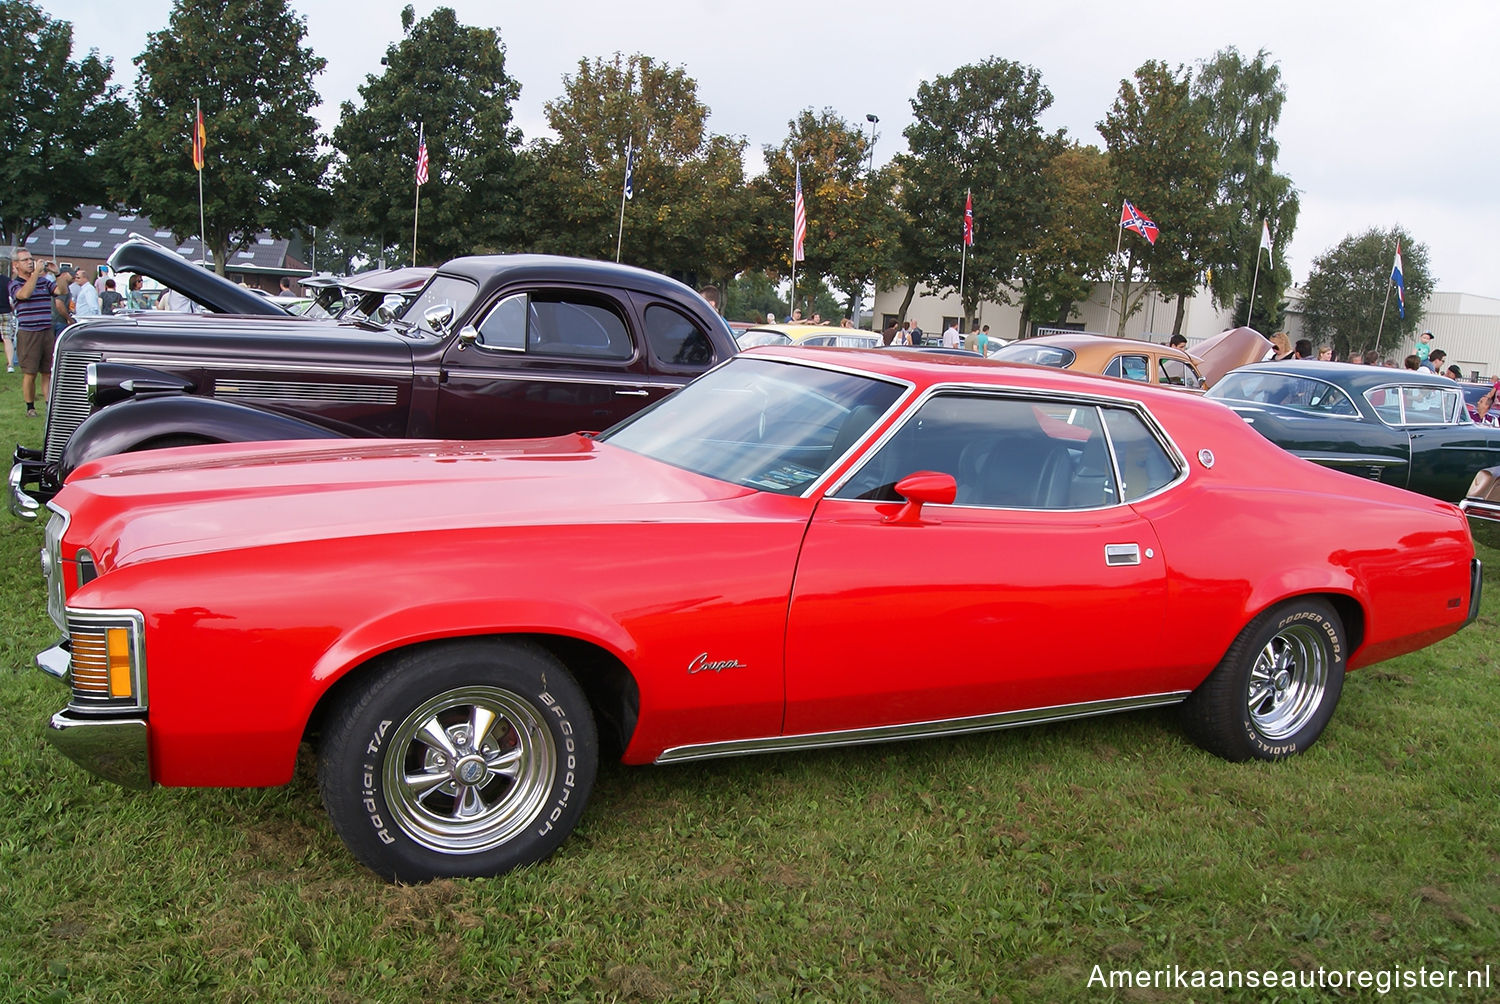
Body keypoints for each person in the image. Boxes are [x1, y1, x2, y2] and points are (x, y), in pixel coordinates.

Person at [8, 250, 57, 416]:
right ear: (16, 265)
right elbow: (24, 294)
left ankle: (49, 406)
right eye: (25, 260)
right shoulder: (14, 284)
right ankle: (30, 408)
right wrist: (36, 273)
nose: (30, 262)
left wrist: (59, 274)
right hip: (29, 333)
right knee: (30, 372)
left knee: (47, 372)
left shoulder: (44, 281)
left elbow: (61, 291)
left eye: (31, 259)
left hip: (46, 331)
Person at [0, 259, 13, 372]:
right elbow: (12, 299)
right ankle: (10, 365)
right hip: (6, 312)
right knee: (7, 338)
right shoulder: (7, 281)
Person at [52, 267, 73, 335]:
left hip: (51, 321)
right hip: (59, 322)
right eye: (71, 274)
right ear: (64, 274)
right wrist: (69, 319)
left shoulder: (52, 284)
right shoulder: (63, 287)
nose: (73, 277)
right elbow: (59, 303)